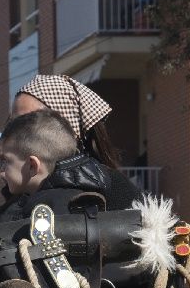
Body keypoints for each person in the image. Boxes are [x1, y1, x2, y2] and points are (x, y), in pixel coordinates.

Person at [9, 74, 139, 210]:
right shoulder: (15, 195)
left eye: (27, 122)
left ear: (67, 128)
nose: (15, 133)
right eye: (12, 124)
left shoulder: (113, 187)